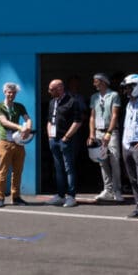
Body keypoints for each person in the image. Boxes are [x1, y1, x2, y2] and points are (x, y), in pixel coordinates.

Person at [0, 82, 33, 207]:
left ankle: (16, 197)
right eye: (9, 92)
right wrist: (20, 127)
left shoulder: (19, 106)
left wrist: (28, 128)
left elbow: (28, 118)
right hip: (5, 142)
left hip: (18, 142)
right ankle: (0, 197)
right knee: (3, 171)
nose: (11, 95)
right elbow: (4, 121)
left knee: (18, 171)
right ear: (4, 92)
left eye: (14, 93)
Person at [87, 73, 123, 202]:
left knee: (114, 160)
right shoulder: (94, 97)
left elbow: (115, 115)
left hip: (111, 132)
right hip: (98, 132)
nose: (94, 84)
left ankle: (117, 190)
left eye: (96, 81)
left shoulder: (114, 95)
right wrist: (92, 134)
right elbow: (92, 116)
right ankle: (108, 189)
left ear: (103, 82)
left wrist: (109, 132)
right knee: (102, 161)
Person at [46, 79, 83, 207]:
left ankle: (71, 196)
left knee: (69, 168)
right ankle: (60, 195)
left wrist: (66, 137)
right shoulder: (52, 102)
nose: (49, 91)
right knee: (58, 168)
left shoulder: (72, 101)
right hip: (54, 139)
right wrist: (50, 136)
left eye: (51, 89)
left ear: (60, 88)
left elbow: (78, 121)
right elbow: (49, 120)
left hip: (66, 140)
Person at [120, 74, 138, 223]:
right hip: (128, 145)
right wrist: (124, 143)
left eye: (129, 88)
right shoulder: (129, 104)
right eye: (125, 88)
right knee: (133, 179)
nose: (126, 91)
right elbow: (127, 125)